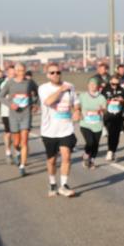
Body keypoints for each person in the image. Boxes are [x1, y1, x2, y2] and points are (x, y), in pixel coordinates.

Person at [37, 63, 78, 197]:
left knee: (66, 156)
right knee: (52, 160)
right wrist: (60, 90)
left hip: (66, 128)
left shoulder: (70, 86)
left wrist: (77, 111)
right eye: (52, 72)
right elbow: (48, 102)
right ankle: (52, 182)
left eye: (58, 72)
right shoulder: (43, 88)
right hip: (49, 130)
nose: (56, 74)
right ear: (48, 75)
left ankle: (64, 185)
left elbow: (75, 103)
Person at [0, 62, 38, 176]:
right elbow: (0, 97)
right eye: (19, 71)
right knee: (16, 142)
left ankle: (22, 166)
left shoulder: (29, 82)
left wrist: (35, 103)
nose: (21, 73)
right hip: (14, 115)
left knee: (24, 141)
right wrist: (10, 104)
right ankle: (17, 151)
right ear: (15, 71)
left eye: (23, 70)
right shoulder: (10, 83)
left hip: (26, 114)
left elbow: (37, 92)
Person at [78, 77, 106, 169]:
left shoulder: (101, 97)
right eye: (91, 84)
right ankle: (86, 155)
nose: (92, 86)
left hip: (97, 124)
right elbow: (76, 106)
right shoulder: (82, 96)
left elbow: (105, 109)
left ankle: (92, 161)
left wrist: (101, 110)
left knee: (96, 144)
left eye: (94, 85)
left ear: (97, 86)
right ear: (88, 86)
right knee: (90, 142)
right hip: (85, 124)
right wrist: (78, 111)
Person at [101, 74, 124, 161]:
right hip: (108, 115)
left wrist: (122, 101)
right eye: (113, 84)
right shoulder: (105, 90)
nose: (115, 86)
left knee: (116, 135)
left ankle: (113, 151)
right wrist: (107, 102)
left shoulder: (121, 90)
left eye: (117, 84)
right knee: (111, 133)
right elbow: (100, 100)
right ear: (110, 82)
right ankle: (110, 151)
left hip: (118, 115)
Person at [0, 65, 15, 163]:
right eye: (11, 73)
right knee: (8, 133)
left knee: (16, 134)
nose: (12, 75)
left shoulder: (19, 82)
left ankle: (17, 152)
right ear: (7, 73)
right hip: (6, 112)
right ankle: (8, 151)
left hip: (17, 112)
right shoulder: (4, 84)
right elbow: (3, 97)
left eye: (14, 73)